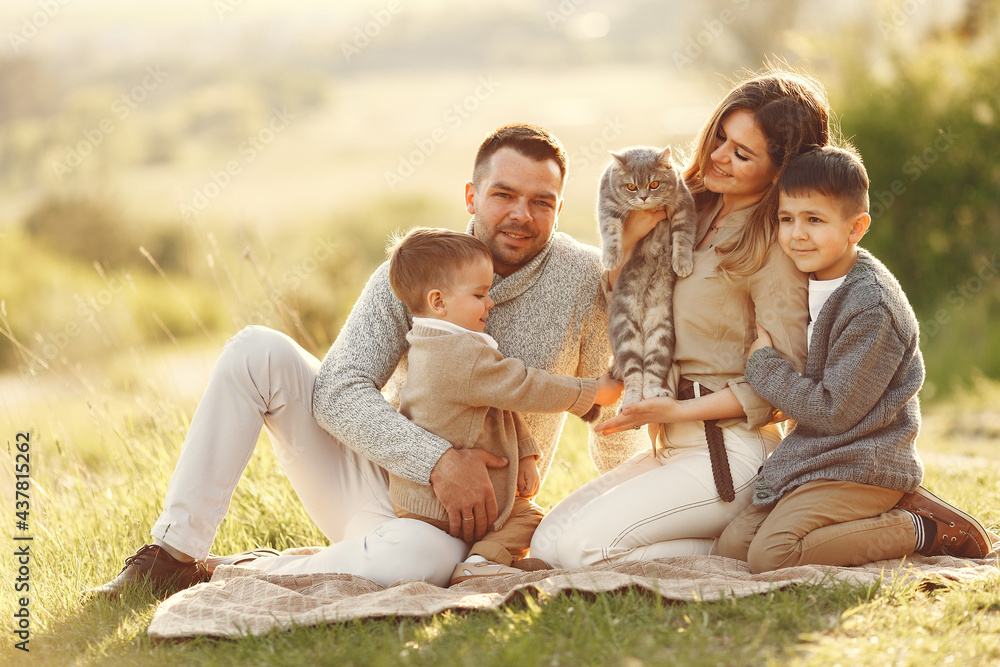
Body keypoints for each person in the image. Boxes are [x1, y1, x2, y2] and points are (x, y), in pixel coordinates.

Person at [86, 124, 645, 597]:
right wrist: (436, 460)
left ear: (560, 207)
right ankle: (173, 555)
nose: (521, 214)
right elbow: (337, 390)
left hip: (466, 524)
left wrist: (624, 514)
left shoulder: (584, 282)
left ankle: (234, 574)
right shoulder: (418, 270)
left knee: (414, 565)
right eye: (504, 195)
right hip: (375, 483)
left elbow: (608, 412)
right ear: (472, 196)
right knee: (256, 350)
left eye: (541, 201)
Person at [530, 68, 826, 568]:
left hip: (728, 454)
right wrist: (627, 242)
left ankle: (739, 546)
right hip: (670, 445)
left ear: (779, 172)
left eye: (741, 153)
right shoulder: (688, 207)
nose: (717, 157)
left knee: (582, 550)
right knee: (547, 545)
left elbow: (787, 385)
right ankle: (725, 541)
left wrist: (676, 412)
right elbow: (628, 301)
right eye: (719, 138)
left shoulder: (775, 248)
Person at [715, 145, 993, 572]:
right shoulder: (802, 277)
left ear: (856, 227)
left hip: (865, 461)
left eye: (814, 220)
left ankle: (919, 526)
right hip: (817, 457)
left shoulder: (872, 307)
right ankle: (876, 519)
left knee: (772, 555)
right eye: (786, 219)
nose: (797, 234)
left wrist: (764, 365)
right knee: (733, 547)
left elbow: (832, 410)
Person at [384, 227, 622, 584]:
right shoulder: (457, 355)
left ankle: (485, 559)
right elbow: (525, 387)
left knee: (524, 513)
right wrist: (592, 392)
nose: (490, 302)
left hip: (422, 497)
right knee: (529, 518)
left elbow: (499, 408)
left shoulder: (438, 343)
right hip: (437, 505)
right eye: (480, 294)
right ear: (438, 301)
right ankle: (481, 565)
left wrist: (525, 455)